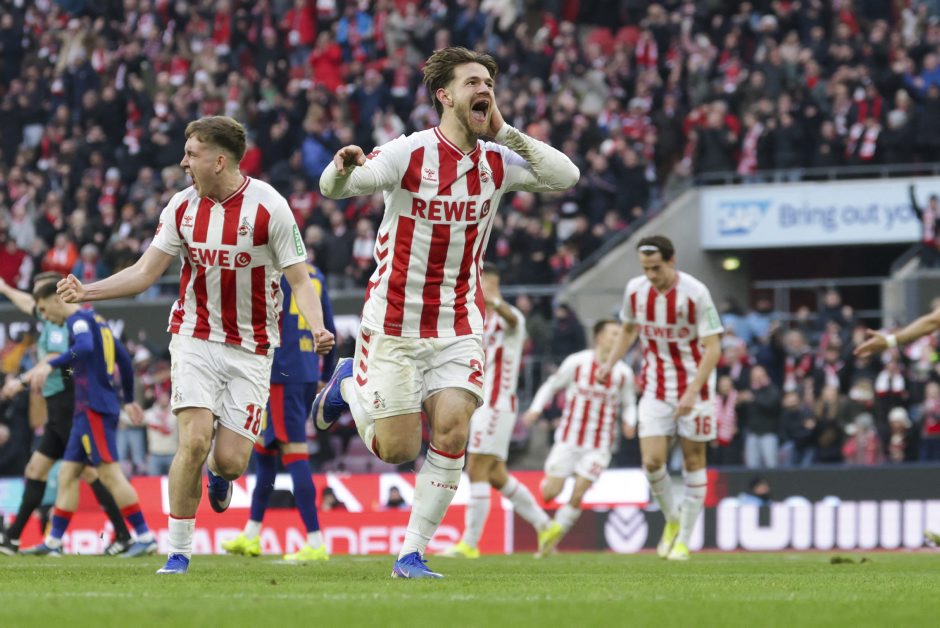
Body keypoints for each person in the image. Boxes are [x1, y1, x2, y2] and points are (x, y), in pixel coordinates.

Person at [314, 46, 579, 578]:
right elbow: (339, 187)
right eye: (473, 83)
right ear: (445, 95)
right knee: (397, 449)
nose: (485, 90)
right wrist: (341, 169)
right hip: (394, 321)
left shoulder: (497, 161)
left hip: (458, 322)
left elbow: (566, 175)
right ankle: (348, 384)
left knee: (454, 431)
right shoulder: (409, 152)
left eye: (490, 84)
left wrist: (505, 131)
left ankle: (411, 554)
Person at [55, 116, 335, 574]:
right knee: (194, 440)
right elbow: (145, 272)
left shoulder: (271, 208)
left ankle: (218, 476)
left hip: (252, 347)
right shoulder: (181, 207)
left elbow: (300, 281)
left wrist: (318, 327)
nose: (183, 162)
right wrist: (88, 291)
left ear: (219, 160)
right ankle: (179, 552)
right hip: (195, 336)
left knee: (231, 462)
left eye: (192, 153)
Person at [598, 235, 723, 561]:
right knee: (652, 462)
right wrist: (609, 364)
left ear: (671, 260)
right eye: (646, 268)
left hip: (696, 388)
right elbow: (628, 330)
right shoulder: (635, 291)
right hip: (655, 387)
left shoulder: (696, 293)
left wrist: (692, 391)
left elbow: (713, 348)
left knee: (694, 462)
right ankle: (672, 518)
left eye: (656, 268)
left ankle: (684, 540)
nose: (651, 275)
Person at [18, 281, 155, 557]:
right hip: (86, 409)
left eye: (43, 309)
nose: (45, 317)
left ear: (57, 300)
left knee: (109, 474)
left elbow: (84, 347)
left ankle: (145, 536)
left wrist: (50, 364)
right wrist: (129, 399)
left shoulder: (78, 321)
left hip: (94, 407)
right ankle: (54, 542)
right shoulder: (98, 320)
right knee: (68, 473)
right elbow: (123, 360)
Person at [441, 263, 557, 559]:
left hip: (497, 403)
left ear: (493, 283)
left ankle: (470, 543)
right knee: (495, 474)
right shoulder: (479, 320)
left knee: (476, 467)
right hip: (484, 403)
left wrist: (494, 301)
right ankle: (545, 525)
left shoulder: (510, 316)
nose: (481, 288)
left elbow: (513, 319)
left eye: (485, 283)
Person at [222, 263, 336, 562]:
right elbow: (329, 325)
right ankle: (251, 534)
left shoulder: (280, 273)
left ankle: (315, 541)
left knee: (293, 451)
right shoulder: (316, 274)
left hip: (282, 372)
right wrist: (324, 372)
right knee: (265, 451)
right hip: (304, 370)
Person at [521, 319, 636, 557]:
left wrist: (630, 422)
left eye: (620, 334)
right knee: (550, 493)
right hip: (569, 440)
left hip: (600, 445)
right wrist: (535, 408)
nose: (618, 338)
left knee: (579, 492)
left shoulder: (623, 373)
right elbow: (551, 386)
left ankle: (552, 536)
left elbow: (629, 404)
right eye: (613, 334)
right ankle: (550, 526)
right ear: (599, 337)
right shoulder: (577, 362)